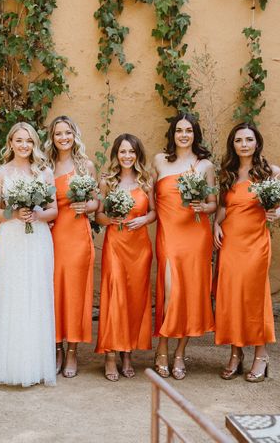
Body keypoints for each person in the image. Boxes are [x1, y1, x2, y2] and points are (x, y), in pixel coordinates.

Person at [0, 122, 58, 387]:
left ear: (35, 143)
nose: (24, 145)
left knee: (35, 295)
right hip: (11, 237)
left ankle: (34, 365)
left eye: (29, 141)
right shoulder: (1, 172)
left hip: (37, 238)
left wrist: (37, 214)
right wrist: (13, 214)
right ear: (10, 142)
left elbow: (53, 210)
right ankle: (7, 365)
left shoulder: (44, 171)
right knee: (11, 295)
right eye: (19, 140)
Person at [214, 122, 280, 383]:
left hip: (256, 243)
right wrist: (215, 225)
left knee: (254, 297)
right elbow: (224, 208)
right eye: (238, 140)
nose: (244, 144)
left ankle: (261, 355)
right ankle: (235, 353)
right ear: (233, 144)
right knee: (232, 296)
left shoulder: (270, 172)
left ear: (257, 142)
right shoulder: (228, 172)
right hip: (230, 243)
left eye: (248, 139)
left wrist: (276, 212)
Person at [152, 113, 216, 380]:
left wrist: (204, 206)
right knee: (170, 293)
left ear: (195, 134)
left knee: (189, 294)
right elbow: (150, 199)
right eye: (179, 130)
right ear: (172, 134)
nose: (183, 135)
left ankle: (178, 352)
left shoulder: (204, 165)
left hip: (195, 235)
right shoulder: (159, 161)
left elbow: (213, 203)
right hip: (168, 234)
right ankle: (162, 348)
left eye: (188, 130)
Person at [95, 134, 155, 381]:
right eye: (122, 152)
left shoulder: (147, 181)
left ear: (137, 154)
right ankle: (110, 354)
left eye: (131, 152)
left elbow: (154, 212)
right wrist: (110, 220)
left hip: (140, 248)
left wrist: (144, 219)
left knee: (133, 299)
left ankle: (127, 352)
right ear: (116, 155)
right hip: (116, 245)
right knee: (114, 296)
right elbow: (98, 215)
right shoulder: (107, 181)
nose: (127, 156)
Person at [44, 116, 97, 378]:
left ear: (74, 135)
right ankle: (56, 349)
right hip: (52, 237)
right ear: (52, 138)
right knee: (53, 292)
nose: (63, 138)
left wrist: (86, 206)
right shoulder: (45, 166)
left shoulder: (85, 165)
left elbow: (96, 203)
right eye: (57, 134)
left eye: (67, 133)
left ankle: (73, 351)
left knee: (75, 293)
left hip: (77, 235)